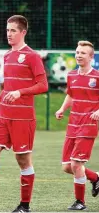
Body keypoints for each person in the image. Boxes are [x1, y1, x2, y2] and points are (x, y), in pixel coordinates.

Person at [0, 15, 48, 212]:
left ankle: (24, 206)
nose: (9, 34)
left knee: (22, 160)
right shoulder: (7, 56)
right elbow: (7, 90)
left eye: (13, 30)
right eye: (7, 30)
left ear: (23, 32)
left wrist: (20, 92)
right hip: (3, 117)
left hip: (23, 118)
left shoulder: (32, 56)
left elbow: (43, 85)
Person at [55, 41, 99, 210]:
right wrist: (61, 109)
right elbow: (71, 96)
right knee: (67, 167)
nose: (79, 55)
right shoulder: (72, 75)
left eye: (83, 53)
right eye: (77, 52)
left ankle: (80, 202)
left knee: (75, 164)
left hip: (88, 125)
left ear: (91, 57)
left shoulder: (97, 77)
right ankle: (95, 177)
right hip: (73, 124)